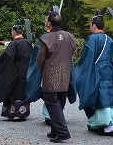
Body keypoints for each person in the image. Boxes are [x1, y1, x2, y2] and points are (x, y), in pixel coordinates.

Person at [75, 13, 113, 136]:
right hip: (109, 73)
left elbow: (87, 59)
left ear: (94, 25)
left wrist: (80, 73)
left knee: (98, 98)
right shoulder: (109, 39)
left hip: (95, 73)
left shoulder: (92, 39)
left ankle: (107, 125)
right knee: (107, 96)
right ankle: (101, 123)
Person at [37, 11, 77, 143]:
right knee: (60, 103)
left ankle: (62, 131)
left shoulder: (46, 38)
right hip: (65, 73)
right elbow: (71, 50)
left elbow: (40, 58)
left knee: (52, 103)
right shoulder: (69, 36)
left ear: (49, 23)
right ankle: (55, 129)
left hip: (51, 74)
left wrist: (43, 73)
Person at [0, 21, 33, 120]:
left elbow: (6, 58)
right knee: (23, 91)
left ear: (14, 32)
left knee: (13, 90)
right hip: (26, 71)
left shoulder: (14, 44)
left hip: (15, 72)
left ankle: (14, 112)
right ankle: (23, 113)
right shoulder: (28, 43)